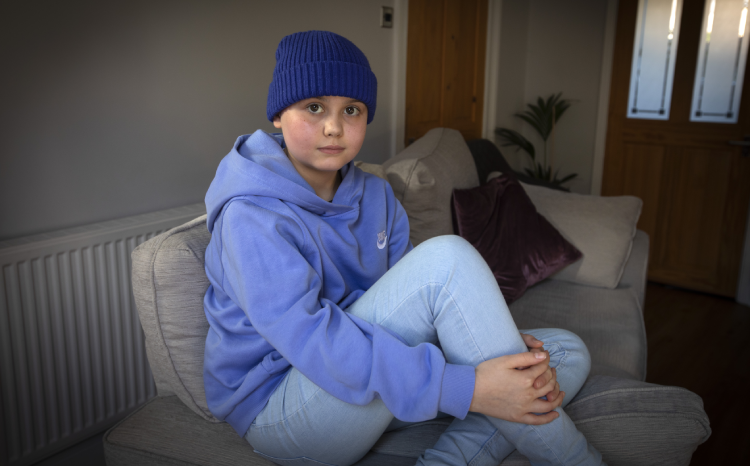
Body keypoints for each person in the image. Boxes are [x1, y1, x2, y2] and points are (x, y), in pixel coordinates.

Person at [203, 30, 605, 466]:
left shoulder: (376, 195)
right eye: (314, 107)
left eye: (351, 110)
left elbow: (417, 310)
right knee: (446, 261)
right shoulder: (251, 214)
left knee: (560, 354)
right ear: (279, 114)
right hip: (284, 408)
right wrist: (466, 387)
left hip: (373, 377)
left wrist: (493, 342)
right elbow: (314, 340)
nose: (334, 126)